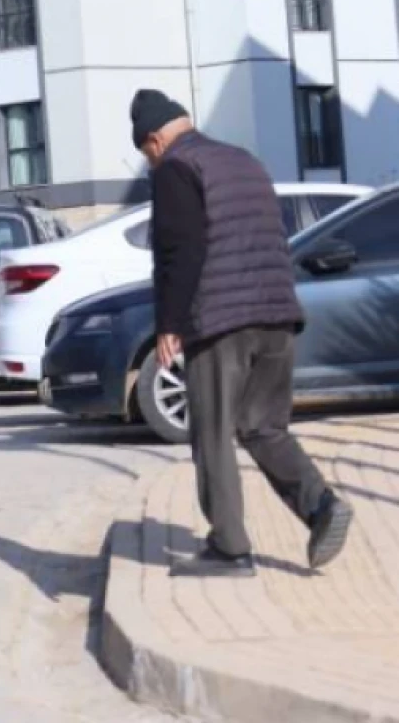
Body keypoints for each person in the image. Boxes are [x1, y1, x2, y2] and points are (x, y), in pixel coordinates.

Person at [131, 89, 354, 577]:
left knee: (211, 434)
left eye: (146, 154)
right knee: (263, 426)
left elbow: (180, 251)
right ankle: (321, 507)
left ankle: (230, 550)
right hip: (278, 312)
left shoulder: (175, 169)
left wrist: (170, 322)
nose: (149, 164)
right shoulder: (243, 160)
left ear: (154, 140)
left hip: (221, 319)